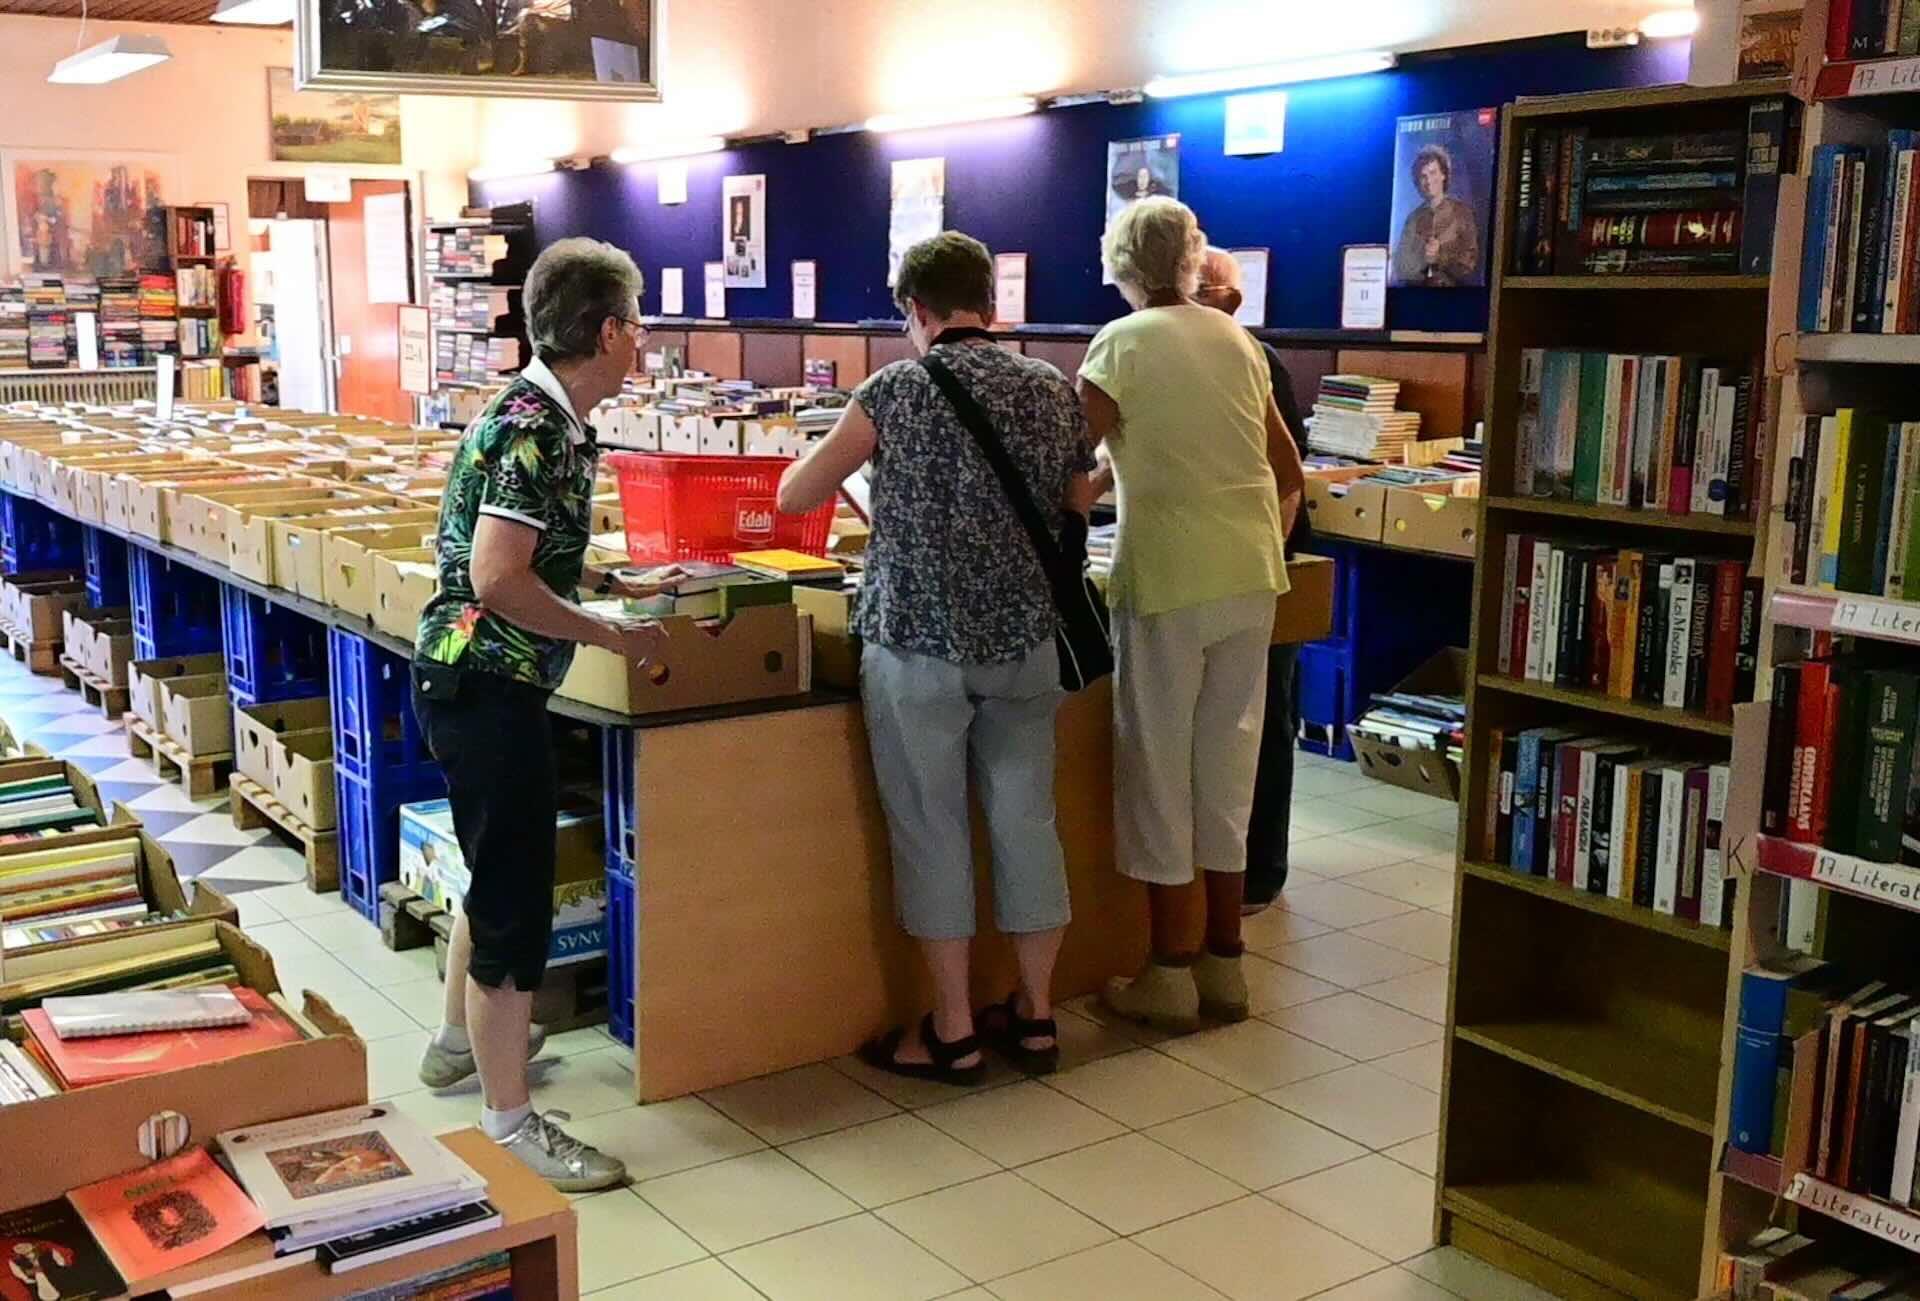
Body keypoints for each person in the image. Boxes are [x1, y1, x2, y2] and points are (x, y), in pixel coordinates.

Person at [778, 231, 1094, 1083]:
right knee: (1027, 821)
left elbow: (796, 493)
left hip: (916, 641)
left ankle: (951, 1029)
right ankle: (1035, 1013)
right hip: (1024, 639)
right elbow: (1077, 499)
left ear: (915, 309)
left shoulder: (895, 389)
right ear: (987, 301)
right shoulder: (1049, 385)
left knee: (932, 827)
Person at [411, 237, 679, 1191]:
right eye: (636, 324)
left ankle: (460, 1044)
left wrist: (602, 579)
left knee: (498, 873)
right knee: (515, 905)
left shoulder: (539, 413)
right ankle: (509, 1122)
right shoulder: (537, 427)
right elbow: (496, 577)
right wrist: (609, 634)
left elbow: (526, 555)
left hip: (473, 676)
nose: (641, 341)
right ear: (606, 332)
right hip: (486, 684)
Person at [1078, 198, 1305, 1033]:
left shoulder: (1122, 341)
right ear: (1191, 257)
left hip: (1168, 577)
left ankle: (1169, 973)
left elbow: (1068, 459)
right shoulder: (1236, 339)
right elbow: (1287, 468)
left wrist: (1106, 477)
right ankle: (1226, 966)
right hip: (1251, 575)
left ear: (1121, 266)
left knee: (1159, 769)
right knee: (1228, 766)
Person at [1192, 247, 1310, 914]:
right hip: (1232, 560)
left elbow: (1284, 474)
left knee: (1264, 719)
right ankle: (1225, 871)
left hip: (1265, 562)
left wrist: (1268, 553)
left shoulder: (1253, 359)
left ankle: (1260, 872)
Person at [1393, 144, 1481, 287]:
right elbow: (1401, 266)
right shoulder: (1413, 219)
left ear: (1443, 175)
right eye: (1423, 176)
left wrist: (1439, 257)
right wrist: (1422, 259)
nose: (1428, 181)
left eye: (1433, 173)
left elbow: (1470, 263)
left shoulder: (1462, 213)